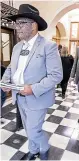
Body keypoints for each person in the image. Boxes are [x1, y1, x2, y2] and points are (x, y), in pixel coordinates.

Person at [2, 4, 63, 160]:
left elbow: (56, 75)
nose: (17, 27)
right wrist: (4, 81)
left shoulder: (48, 47)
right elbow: (11, 67)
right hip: (18, 96)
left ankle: (40, 149)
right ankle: (36, 148)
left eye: (22, 23)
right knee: (29, 129)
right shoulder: (16, 47)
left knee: (33, 129)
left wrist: (33, 88)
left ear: (34, 25)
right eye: (17, 23)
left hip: (36, 98)